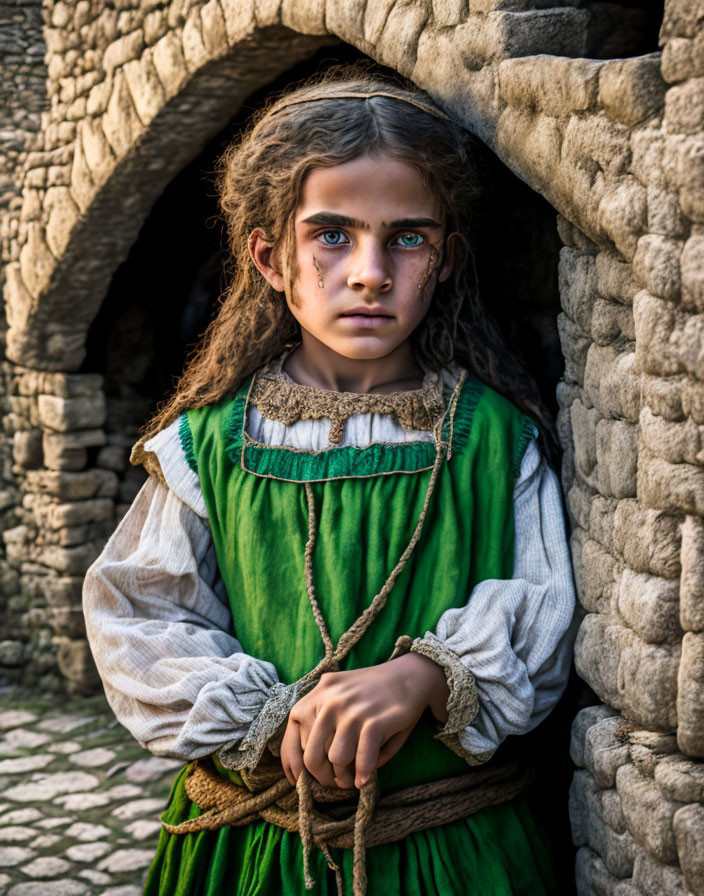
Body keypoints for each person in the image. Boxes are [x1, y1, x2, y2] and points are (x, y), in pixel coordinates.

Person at [83, 66, 577, 896]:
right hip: (262, 852)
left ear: (447, 258)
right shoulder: (206, 445)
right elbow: (139, 616)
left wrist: (427, 677)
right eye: (334, 235)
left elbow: (546, 604)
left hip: (452, 853)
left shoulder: (496, 439)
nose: (371, 272)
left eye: (407, 238)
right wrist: (267, 718)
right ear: (271, 257)